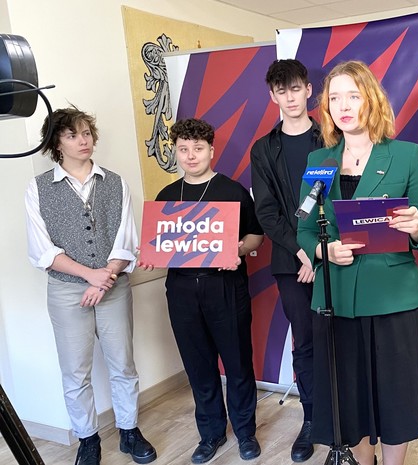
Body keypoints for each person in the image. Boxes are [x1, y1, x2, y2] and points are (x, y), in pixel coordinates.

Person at [297, 60, 418, 465]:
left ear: (372, 100)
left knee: (395, 399)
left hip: (393, 298)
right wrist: (324, 251)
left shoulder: (407, 155)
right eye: (335, 98)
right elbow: (304, 229)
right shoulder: (319, 160)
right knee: (350, 399)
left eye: (353, 96)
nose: (343, 106)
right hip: (337, 300)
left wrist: (415, 227)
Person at [25, 107, 157, 465]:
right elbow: (42, 250)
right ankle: (87, 439)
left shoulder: (115, 183)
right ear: (57, 143)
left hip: (113, 286)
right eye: (72, 135)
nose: (83, 141)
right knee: (76, 371)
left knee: (123, 364)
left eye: (86, 133)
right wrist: (89, 275)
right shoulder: (38, 188)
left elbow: (125, 240)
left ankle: (129, 431)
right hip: (67, 290)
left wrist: (104, 278)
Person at [141, 118, 264, 464]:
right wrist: (151, 254)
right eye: (183, 149)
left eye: (197, 148)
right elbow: (160, 243)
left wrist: (237, 251)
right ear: (175, 152)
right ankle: (211, 434)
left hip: (225, 287)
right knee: (198, 366)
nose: (190, 155)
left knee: (238, 363)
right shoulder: (167, 197)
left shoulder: (233, 191)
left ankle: (245, 432)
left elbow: (256, 236)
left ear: (211, 150)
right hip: (181, 290)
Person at [249, 58, 322, 463]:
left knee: (343, 337)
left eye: (296, 89)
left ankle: (344, 417)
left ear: (308, 90)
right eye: (282, 91)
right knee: (305, 341)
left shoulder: (331, 137)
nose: (290, 97)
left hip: (334, 255)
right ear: (272, 96)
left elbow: (344, 197)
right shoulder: (264, 149)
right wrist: (301, 251)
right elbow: (267, 211)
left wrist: (319, 251)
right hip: (290, 261)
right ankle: (311, 420)